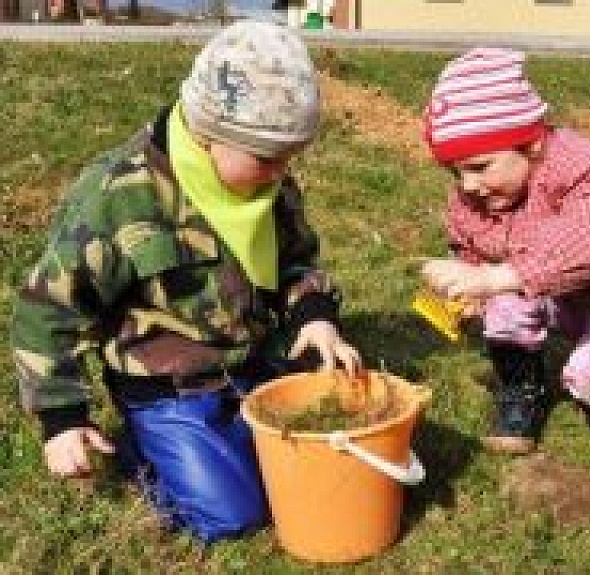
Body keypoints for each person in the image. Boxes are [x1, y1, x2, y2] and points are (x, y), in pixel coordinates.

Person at [11, 21, 361, 542]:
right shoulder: (120, 198)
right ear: (208, 131)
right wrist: (61, 419)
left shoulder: (267, 183)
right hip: (168, 386)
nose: (281, 172)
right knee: (232, 517)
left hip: (253, 356)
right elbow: (48, 309)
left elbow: (297, 258)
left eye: (292, 157)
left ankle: (225, 437)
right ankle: (145, 448)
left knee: (325, 451)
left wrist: (314, 316)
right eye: (268, 158)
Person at [420, 48, 590, 455]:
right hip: (560, 297)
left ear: (529, 143)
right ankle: (523, 388)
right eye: (456, 172)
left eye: (479, 166)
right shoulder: (481, 195)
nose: (468, 185)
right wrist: (470, 282)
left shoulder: (583, 169)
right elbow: (470, 243)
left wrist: (495, 278)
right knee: (503, 311)